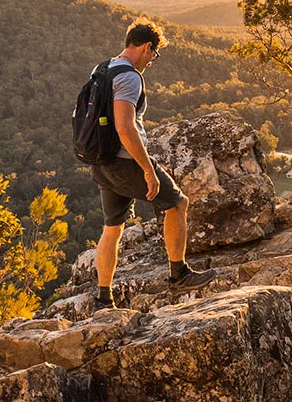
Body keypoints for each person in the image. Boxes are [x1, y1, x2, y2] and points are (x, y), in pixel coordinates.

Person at [90, 21, 211, 309]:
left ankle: (103, 298)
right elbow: (125, 127)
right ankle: (178, 273)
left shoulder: (101, 68)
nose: (152, 62)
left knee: (112, 227)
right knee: (178, 203)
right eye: (153, 55)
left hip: (100, 160)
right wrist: (146, 168)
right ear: (147, 47)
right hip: (125, 161)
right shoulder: (130, 77)